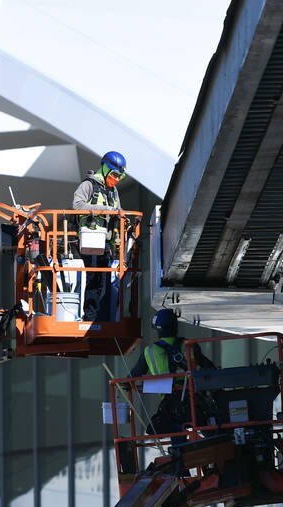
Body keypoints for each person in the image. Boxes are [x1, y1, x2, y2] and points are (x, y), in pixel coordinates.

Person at [129, 309, 218, 442]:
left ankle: (179, 456)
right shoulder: (190, 346)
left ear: (157, 330)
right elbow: (210, 367)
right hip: (194, 400)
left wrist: (125, 384)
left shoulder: (150, 351)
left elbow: (133, 376)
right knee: (212, 434)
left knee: (176, 435)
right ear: (175, 326)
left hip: (171, 406)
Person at [71, 151, 126, 320]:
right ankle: (90, 316)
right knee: (93, 279)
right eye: (115, 175)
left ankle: (100, 315)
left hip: (106, 242)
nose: (116, 180)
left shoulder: (113, 191)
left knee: (104, 280)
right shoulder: (88, 185)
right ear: (105, 168)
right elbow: (77, 205)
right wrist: (105, 210)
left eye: (120, 177)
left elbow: (118, 210)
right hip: (90, 239)